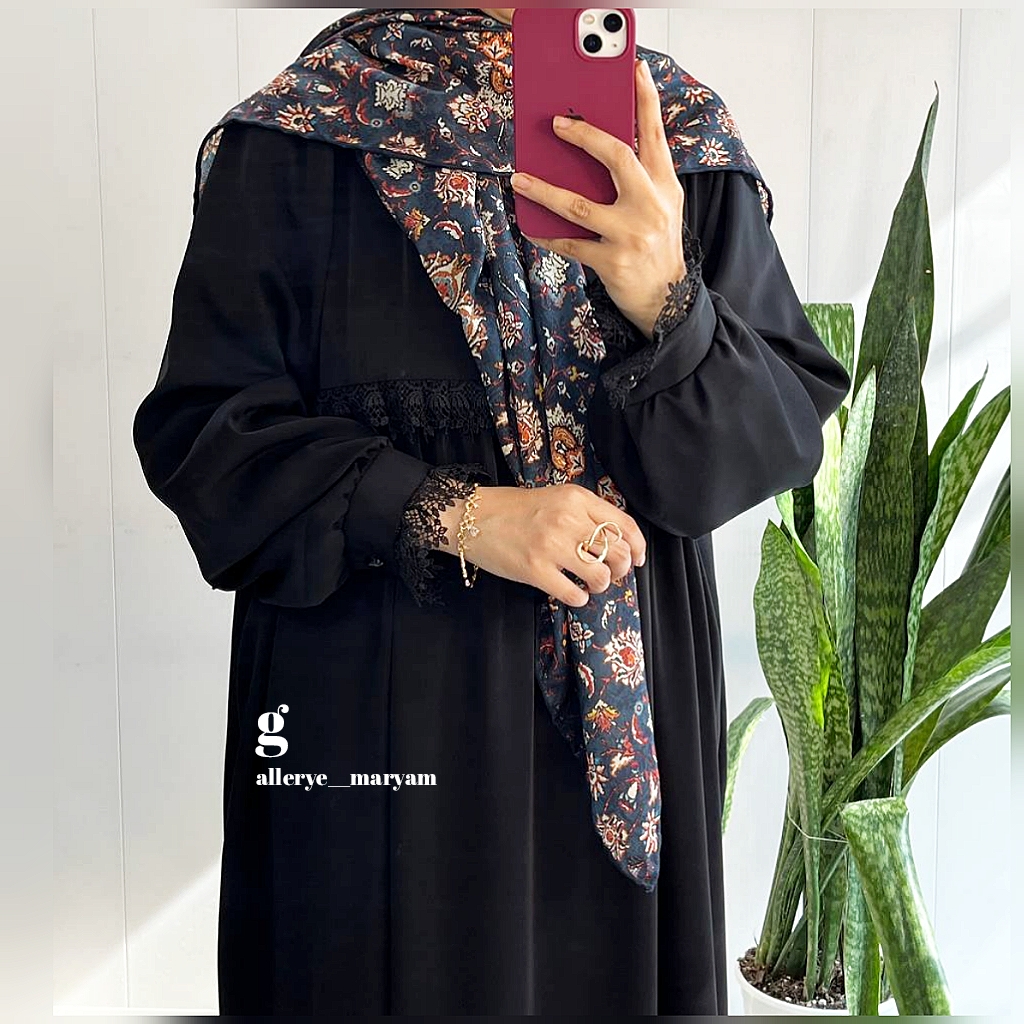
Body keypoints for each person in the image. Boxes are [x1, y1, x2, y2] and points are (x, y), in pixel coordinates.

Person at [133, 8, 850, 1016]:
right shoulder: (300, 138)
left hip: (632, 720)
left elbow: (765, 444)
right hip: (378, 724)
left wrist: (668, 296)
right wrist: (458, 514)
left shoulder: (673, 141)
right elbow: (209, 441)